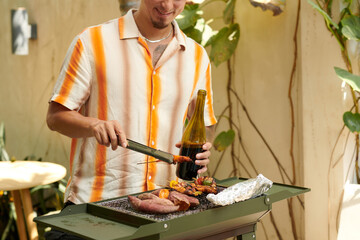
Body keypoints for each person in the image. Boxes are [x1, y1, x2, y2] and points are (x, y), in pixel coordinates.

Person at [46, 0, 217, 208]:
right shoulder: (92, 42)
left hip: (164, 204)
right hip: (96, 204)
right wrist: (94, 125)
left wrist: (203, 150)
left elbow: (206, 124)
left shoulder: (197, 56)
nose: (166, 4)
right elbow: (55, 117)